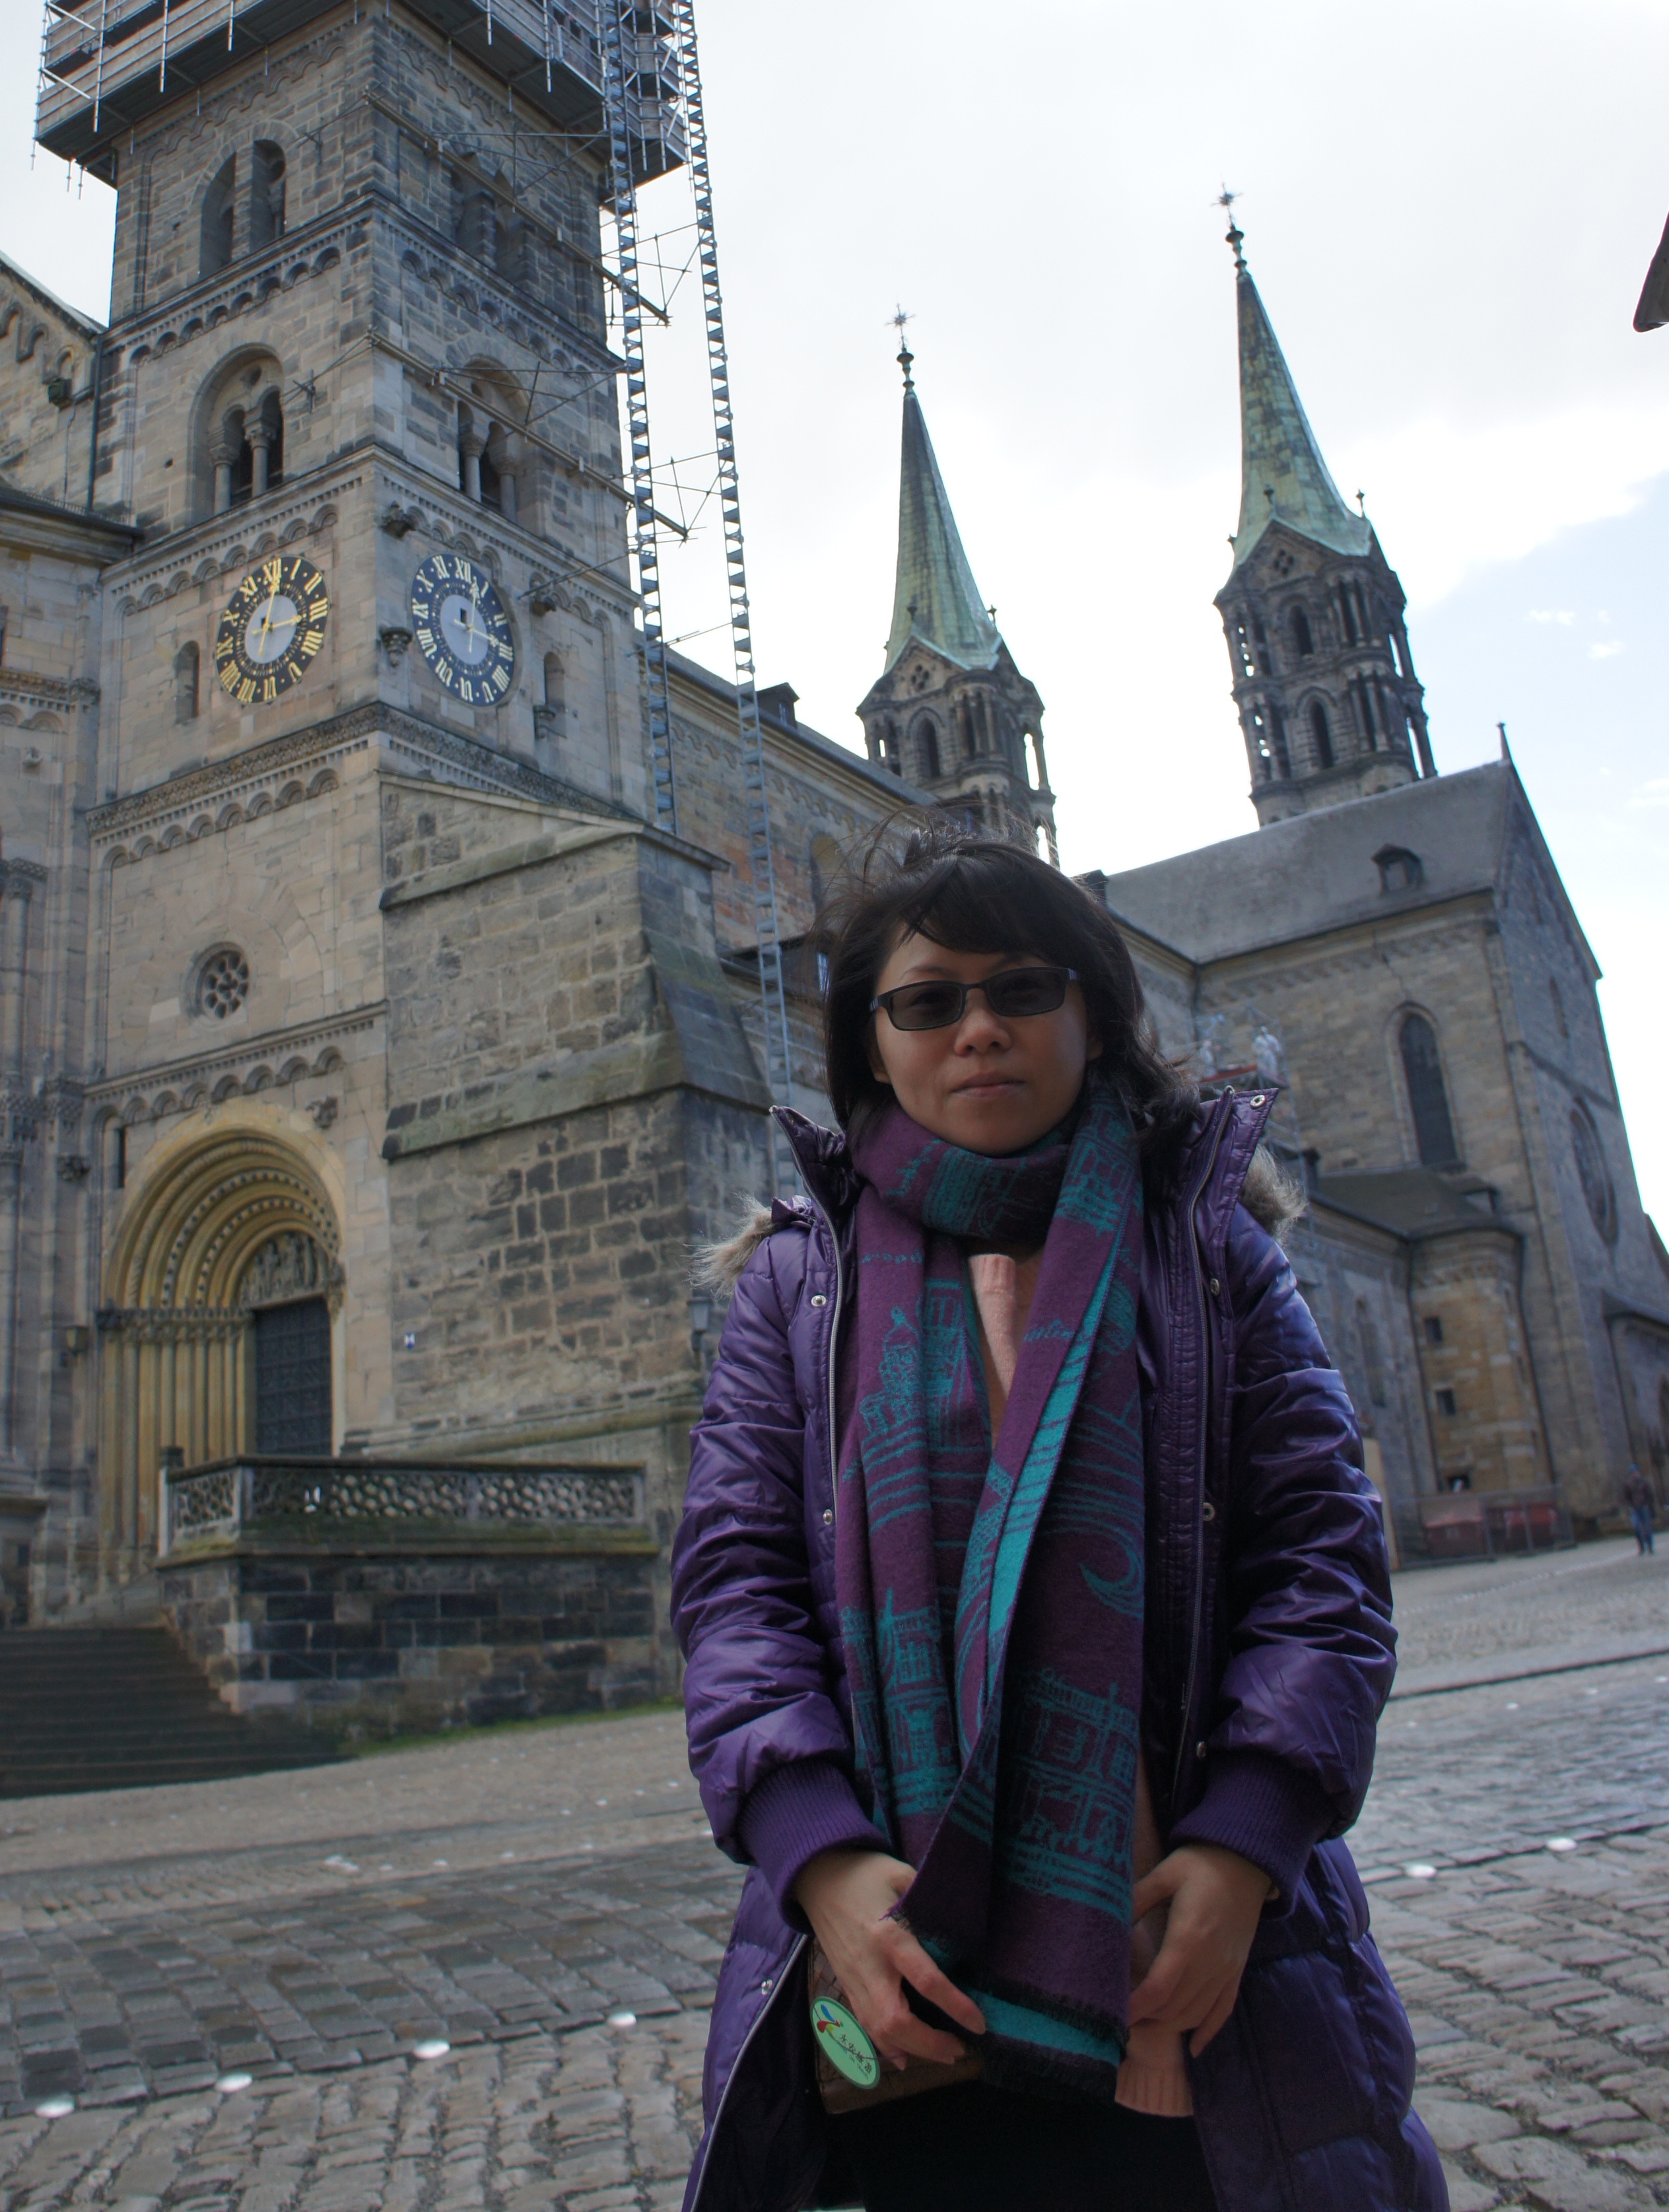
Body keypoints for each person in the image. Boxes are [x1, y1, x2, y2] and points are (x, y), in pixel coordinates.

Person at [671, 826, 1445, 2212]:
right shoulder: (795, 1286)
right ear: (871, 1042)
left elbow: (1321, 1558)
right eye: (926, 1000)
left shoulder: (1208, 1250)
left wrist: (1247, 1839)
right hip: (903, 1963)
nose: (977, 1028)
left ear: (1094, 1015)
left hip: (1192, 1959)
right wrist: (819, 1858)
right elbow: (737, 1591)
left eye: (1022, 988)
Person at [1622, 1463, 1656, 1555]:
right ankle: (1641, 1547)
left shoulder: (1644, 1482)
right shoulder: (1628, 1484)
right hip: (1634, 1508)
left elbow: (1649, 1494)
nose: (1635, 1474)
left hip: (1643, 1506)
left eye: (1635, 1472)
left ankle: (1650, 1546)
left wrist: (1648, 1505)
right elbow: (1626, 1496)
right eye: (1633, 1472)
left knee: (1646, 1527)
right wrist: (1630, 1505)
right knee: (1636, 1527)